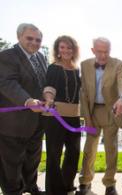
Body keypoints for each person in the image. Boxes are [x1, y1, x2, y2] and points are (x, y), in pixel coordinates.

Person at [77, 37, 122, 195]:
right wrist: (86, 117)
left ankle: (110, 184)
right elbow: (84, 92)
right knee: (89, 149)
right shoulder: (85, 65)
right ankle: (85, 182)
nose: (103, 55)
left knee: (111, 149)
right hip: (92, 111)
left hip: (111, 111)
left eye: (106, 51)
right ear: (93, 50)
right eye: (100, 51)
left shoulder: (118, 64)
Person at [0, 23, 46, 195]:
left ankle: (31, 186)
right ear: (19, 37)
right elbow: (7, 83)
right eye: (30, 38)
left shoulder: (41, 57)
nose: (34, 42)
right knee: (11, 163)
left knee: (32, 159)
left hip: (36, 122)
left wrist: (47, 97)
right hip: (13, 124)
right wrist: (27, 101)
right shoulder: (7, 56)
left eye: (38, 40)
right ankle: (13, 191)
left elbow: (42, 82)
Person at [42, 35, 81, 195]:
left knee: (74, 152)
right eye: (62, 47)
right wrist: (49, 99)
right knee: (53, 154)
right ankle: (54, 190)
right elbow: (49, 87)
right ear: (58, 50)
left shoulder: (77, 69)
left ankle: (67, 185)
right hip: (54, 116)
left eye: (69, 48)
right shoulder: (53, 67)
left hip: (74, 116)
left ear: (74, 50)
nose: (66, 50)